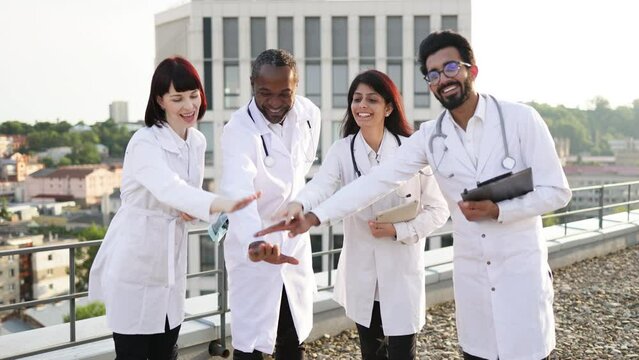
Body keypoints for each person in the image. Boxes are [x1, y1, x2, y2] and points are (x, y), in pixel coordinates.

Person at [258, 31, 572, 360]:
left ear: (472, 70)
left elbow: (557, 192)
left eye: (451, 67)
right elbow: (374, 183)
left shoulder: (521, 119)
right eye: (433, 74)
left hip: (519, 271)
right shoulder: (430, 137)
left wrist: (497, 210)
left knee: (527, 352)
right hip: (472, 276)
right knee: (476, 353)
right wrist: (310, 215)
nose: (443, 79)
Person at [265, 69, 450, 359]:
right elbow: (322, 186)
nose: (362, 106)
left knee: (403, 352)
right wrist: (300, 204)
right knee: (371, 350)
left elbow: (439, 209)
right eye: (357, 98)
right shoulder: (342, 150)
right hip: (362, 269)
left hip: (401, 266)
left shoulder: (411, 149)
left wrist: (398, 231)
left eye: (372, 100)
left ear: (388, 107)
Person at [88, 56, 259, 360]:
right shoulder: (145, 142)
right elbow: (171, 188)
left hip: (171, 265)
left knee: (167, 351)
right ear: (160, 101)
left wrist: (189, 209)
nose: (189, 105)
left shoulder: (196, 141)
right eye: (177, 98)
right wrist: (218, 203)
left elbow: (185, 196)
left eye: (193, 95)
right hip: (136, 262)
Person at [219, 49, 321, 359]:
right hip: (254, 241)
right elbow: (239, 192)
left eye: (284, 93)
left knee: (292, 336)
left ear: (296, 85)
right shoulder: (238, 130)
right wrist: (256, 242)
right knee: (251, 343)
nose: (275, 102)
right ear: (252, 84)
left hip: (292, 241)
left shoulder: (309, 114)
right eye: (265, 93)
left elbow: (302, 169)